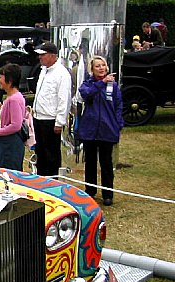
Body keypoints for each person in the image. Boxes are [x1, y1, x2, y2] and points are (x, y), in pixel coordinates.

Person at [77, 56, 124, 206]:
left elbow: (118, 106)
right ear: (92, 69)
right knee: (90, 162)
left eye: (103, 65)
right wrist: (100, 84)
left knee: (106, 163)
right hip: (90, 130)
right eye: (97, 66)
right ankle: (90, 191)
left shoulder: (113, 86)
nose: (101, 68)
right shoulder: (87, 84)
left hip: (107, 130)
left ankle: (107, 194)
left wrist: (117, 125)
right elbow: (86, 94)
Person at [31, 42, 71, 177]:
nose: (40, 57)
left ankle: (52, 179)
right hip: (38, 117)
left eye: (43, 55)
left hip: (50, 119)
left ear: (52, 56)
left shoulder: (62, 74)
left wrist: (59, 122)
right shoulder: (43, 71)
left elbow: (63, 99)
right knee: (40, 151)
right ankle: (41, 177)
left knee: (51, 153)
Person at [0, 64, 26, 170]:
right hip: (6, 144)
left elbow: (15, 125)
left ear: (10, 80)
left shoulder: (14, 99)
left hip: (10, 146)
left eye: (1, 77)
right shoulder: (11, 98)